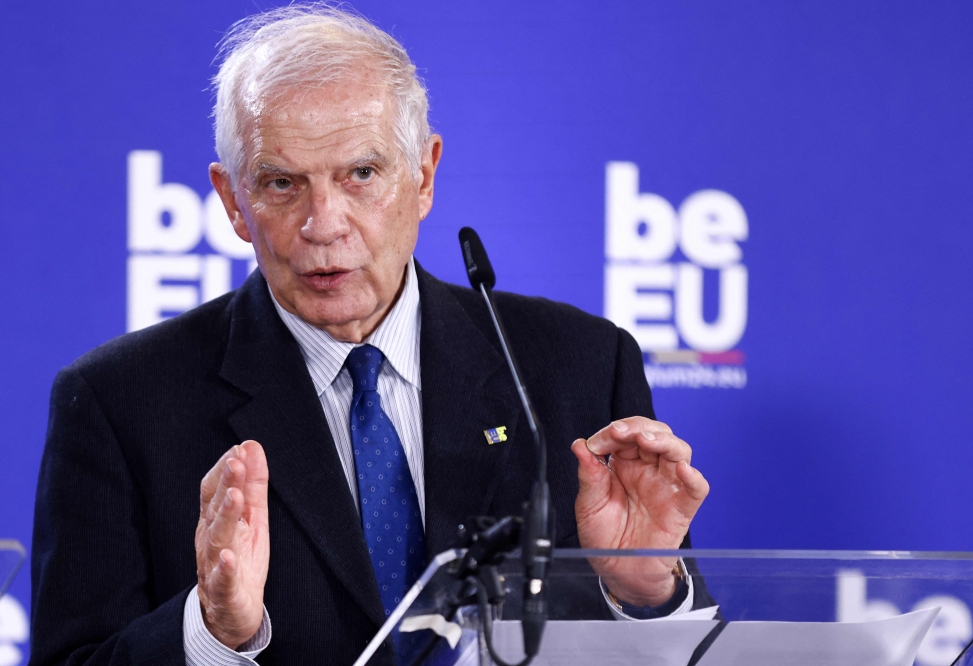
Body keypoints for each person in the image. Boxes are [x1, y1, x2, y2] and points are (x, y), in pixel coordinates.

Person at [30, 6, 711, 665]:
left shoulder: (578, 365)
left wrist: (646, 590)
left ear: (423, 175)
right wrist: (211, 631)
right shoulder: (119, 402)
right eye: (281, 182)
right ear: (234, 201)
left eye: (361, 174)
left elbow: (683, 651)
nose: (324, 223)